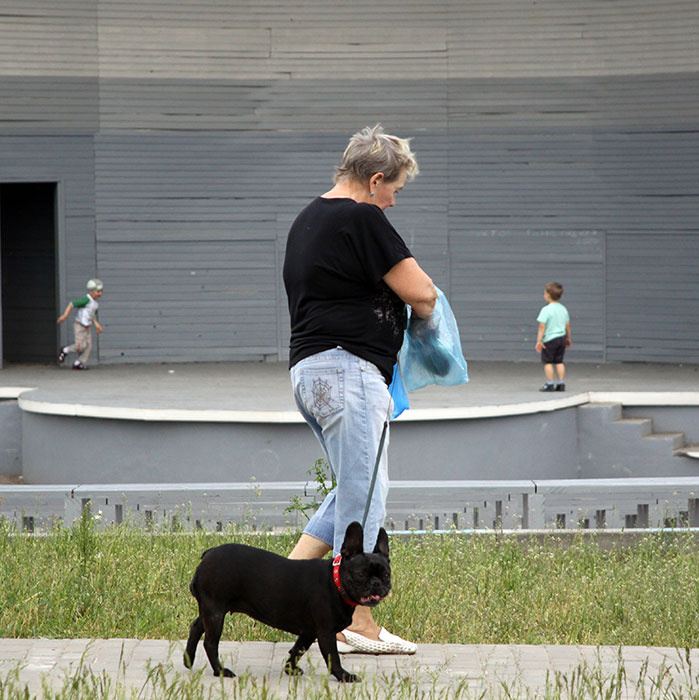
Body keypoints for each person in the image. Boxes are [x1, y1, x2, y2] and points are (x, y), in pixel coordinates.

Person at [283, 124, 436, 655]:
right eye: (394, 190)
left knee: (354, 490)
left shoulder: (308, 217)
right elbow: (422, 293)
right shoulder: (361, 216)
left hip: (310, 373)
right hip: (348, 372)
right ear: (375, 181)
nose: (393, 202)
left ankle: (281, 588)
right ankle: (358, 623)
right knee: (365, 498)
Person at [57, 279, 104, 370]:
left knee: (89, 346)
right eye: (98, 291)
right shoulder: (86, 300)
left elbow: (92, 315)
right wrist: (65, 315)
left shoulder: (95, 304)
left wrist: (97, 325)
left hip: (87, 327)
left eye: (101, 291)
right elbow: (72, 304)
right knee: (80, 346)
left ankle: (79, 362)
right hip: (79, 326)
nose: (100, 293)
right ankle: (65, 350)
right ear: (91, 291)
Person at [535, 281, 571, 391]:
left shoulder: (546, 310)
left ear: (548, 295)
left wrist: (539, 341)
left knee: (548, 362)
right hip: (561, 338)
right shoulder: (563, 309)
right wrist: (568, 338)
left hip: (550, 340)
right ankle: (561, 383)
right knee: (559, 362)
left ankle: (549, 384)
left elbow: (542, 326)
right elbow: (567, 325)